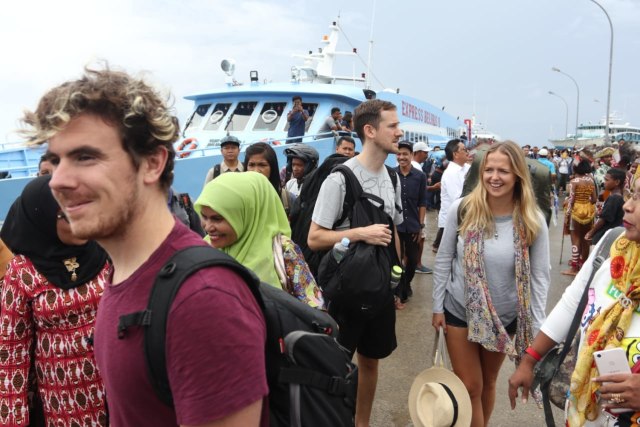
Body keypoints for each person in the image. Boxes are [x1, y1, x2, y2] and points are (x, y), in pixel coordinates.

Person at [27, 67, 267, 426]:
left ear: (153, 163)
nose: (57, 181)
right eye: (57, 160)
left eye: (85, 157)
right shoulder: (123, 271)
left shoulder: (203, 300)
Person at [432, 141, 550, 427]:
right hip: (459, 310)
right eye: (489, 170)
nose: (495, 177)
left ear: (518, 176)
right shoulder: (463, 209)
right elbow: (444, 258)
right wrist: (437, 306)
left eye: (504, 171)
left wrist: (537, 329)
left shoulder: (532, 220)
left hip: (504, 317)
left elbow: (539, 277)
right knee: (469, 386)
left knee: (488, 383)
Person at [308, 99, 403, 427]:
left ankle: (361, 423)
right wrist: (361, 232)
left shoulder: (393, 177)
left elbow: (392, 232)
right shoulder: (340, 179)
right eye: (392, 126)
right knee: (335, 363)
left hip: (378, 289)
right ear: (370, 130)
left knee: (372, 360)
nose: (399, 132)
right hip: (345, 290)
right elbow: (315, 238)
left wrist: (398, 280)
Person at [508, 190, 640, 426]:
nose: (627, 206)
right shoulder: (614, 245)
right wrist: (529, 361)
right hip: (585, 415)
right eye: (632, 195)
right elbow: (573, 304)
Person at [0, 175, 111, 426]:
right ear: (44, 218)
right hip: (65, 400)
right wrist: (12, 419)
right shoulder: (22, 272)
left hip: (119, 385)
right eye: (65, 215)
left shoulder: (105, 249)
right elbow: (11, 352)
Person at [195, 172, 323, 308]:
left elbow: (315, 310)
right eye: (204, 217)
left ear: (246, 214)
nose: (208, 227)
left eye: (217, 219)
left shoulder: (283, 251)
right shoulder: (203, 251)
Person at [394, 141, 428, 309]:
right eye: (399, 154)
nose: (401, 157)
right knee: (396, 261)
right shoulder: (391, 175)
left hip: (413, 225)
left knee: (413, 260)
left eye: (405, 154)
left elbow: (423, 202)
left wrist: (421, 226)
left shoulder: (420, 176)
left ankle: (406, 284)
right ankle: (399, 290)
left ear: (411, 156)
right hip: (396, 226)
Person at [563, 151, 597, 276]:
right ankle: (584, 266)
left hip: (576, 211)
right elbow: (594, 199)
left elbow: (571, 200)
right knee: (586, 238)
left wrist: (567, 215)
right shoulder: (591, 180)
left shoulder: (574, 182)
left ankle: (574, 267)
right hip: (589, 211)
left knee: (575, 238)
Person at [434, 139, 470, 252]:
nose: (467, 152)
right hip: (453, 221)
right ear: (455, 154)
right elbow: (458, 198)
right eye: (464, 150)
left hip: (464, 218)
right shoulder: (450, 173)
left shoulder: (466, 168)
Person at [586, 168, 625, 245]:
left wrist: (591, 232)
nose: (604, 182)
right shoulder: (609, 193)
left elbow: (603, 219)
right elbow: (600, 200)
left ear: (617, 182)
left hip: (605, 235)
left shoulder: (614, 198)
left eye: (607, 180)